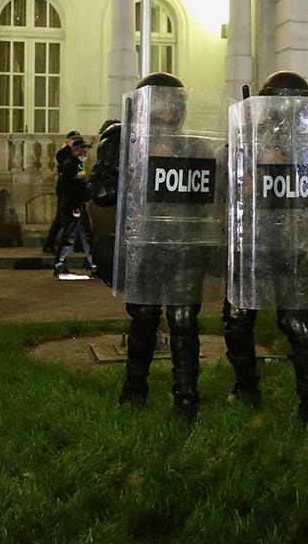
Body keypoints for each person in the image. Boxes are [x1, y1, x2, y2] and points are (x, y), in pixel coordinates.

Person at [89, 72, 215, 423]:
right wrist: (136, 163)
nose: (166, 111)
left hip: (184, 244)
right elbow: (100, 193)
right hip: (143, 244)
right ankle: (134, 389)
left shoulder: (195, 145)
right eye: (159, 104)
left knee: (183, 318)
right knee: (144, 316)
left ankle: (187, 398)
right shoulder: (122, 139)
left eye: (172, 104)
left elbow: (212, 195)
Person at [223, 70, 308, 423]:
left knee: (297, 322)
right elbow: (223, 180)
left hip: (291, 246)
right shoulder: (246, 138)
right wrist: (244, 175)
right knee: (238, 321)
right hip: (251, 243)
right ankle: (246, 387)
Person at [53, 135, 94, 276]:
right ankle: (59, 265)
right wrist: (74, 206)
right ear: (75, 150)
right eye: (83, 149)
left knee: (87, 237)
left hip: (79, 205)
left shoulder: (78, 164)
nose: (85, 152)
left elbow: (81, 183)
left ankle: (93, 264)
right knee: (68, 238)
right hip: (73, 207)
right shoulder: (69, 165)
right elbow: (68, 188)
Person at [43, 130, 81, 255]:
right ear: (68, 140)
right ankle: (50, 245)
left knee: (77, 217)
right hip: (65, 189)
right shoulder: (63, 153)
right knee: (61, 218)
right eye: (74, 138)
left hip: (74, 189)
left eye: (78, 138)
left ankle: (78, 245)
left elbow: (80, 172)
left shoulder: (78, 154)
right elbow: (66, 166)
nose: (76, 141)